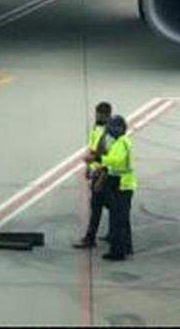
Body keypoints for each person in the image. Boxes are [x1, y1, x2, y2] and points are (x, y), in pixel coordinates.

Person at [72, 101, 113, 249]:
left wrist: (101, 175)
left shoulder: (109, 133)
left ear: (108, 115)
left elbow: (106, 155)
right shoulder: (96, 128)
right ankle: (112, 233)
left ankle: (91, 237)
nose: (99, 116)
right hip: (96, 170)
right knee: (104, 205)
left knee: (98, 206)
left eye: (102, 114)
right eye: (98, 114)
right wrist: (88, 167)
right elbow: (92, 148)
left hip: (103, 172)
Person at [101, 114, 135, 261]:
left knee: (117, 219)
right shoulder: (121, 142)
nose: (109, 130)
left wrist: (99, 159)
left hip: (121, 184)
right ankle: (127, 246)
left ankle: (117, 251)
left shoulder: (121, 144)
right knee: (123, 218)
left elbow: (115, 160)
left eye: (111, 127)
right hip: (122, 182)